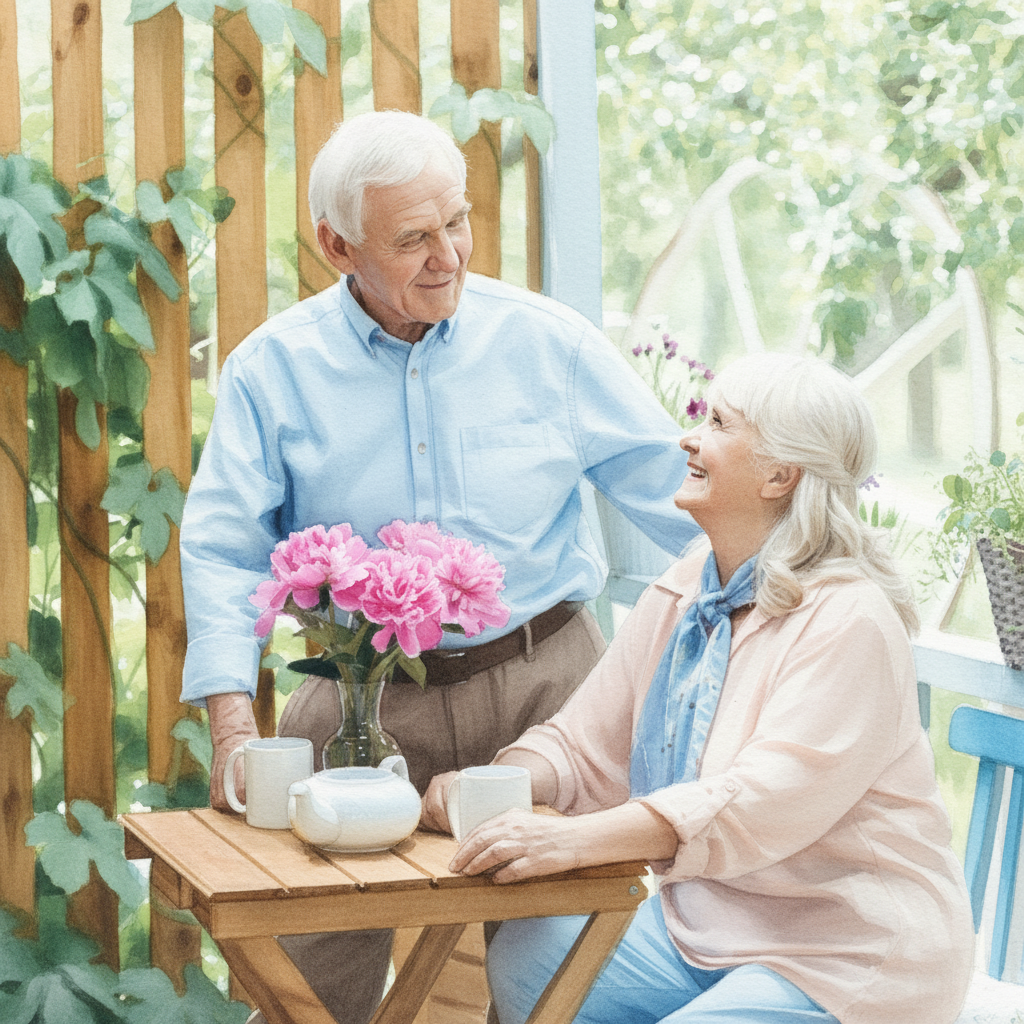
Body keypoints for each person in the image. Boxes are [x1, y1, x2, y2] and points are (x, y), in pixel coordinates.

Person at [178, 110, 699, 1024]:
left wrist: (780, 611)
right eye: (413, 238)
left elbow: (684, 501)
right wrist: (231, 726)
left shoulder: (550, 343)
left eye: (455, 222)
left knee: (556, 981)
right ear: (337, 245)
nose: (449, 255)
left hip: (549, 694)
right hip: (355, 699)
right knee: (303, 979)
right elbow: (224, 546)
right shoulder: (275, 369)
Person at [422, 353, 975, 1024]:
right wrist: (495, 781)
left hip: (848, 950)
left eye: (717, 423)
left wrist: (569, 841)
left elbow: (755, 802)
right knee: (534, 954)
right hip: (708, 928)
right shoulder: (691, 584)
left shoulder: (849, 619)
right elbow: (582, 743)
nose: (688, 438)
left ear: (780, 474)